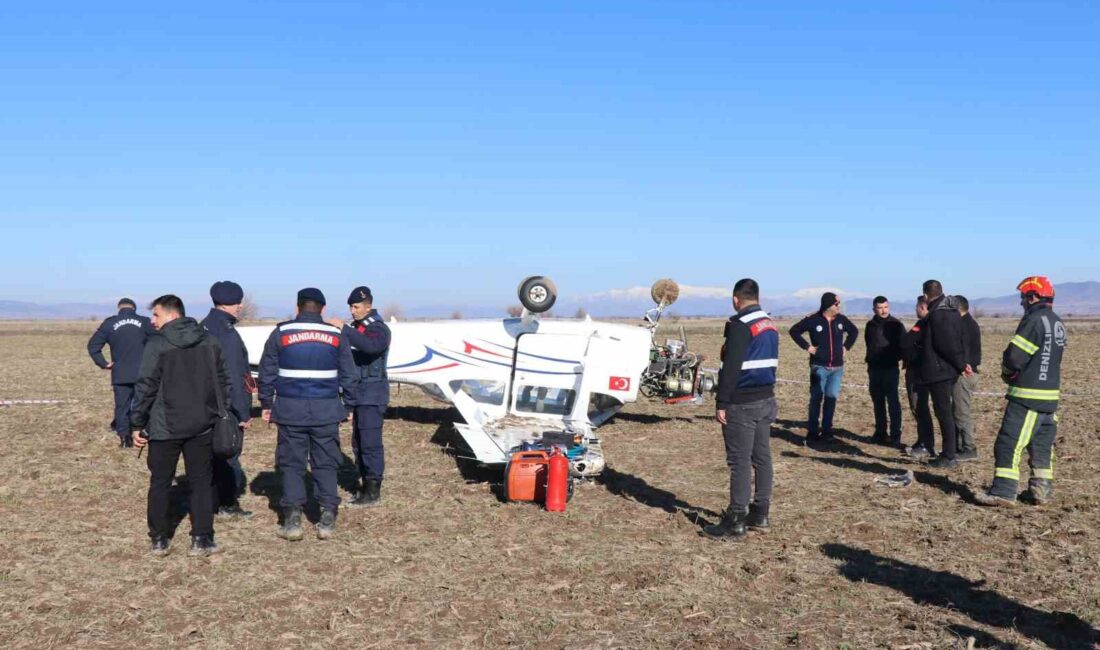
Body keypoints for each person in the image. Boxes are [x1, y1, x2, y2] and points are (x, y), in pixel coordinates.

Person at [131, 295, 229, 557]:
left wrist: (137, 423)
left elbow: (145, 386)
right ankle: (202, 539)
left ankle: (159, 539)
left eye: (156, 316)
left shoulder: (157, 345)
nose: (152, 321)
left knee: (161, 482)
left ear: (172, 316)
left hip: (165, 427)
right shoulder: (210, 341)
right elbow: (223, 382)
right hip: (202, 424)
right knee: (201, 482)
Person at [259, 288, 359, 541]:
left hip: (290, 409)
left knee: (292, 464)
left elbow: (267, 371)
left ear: (298, 307)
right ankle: (327, 517)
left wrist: (266, 403)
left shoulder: (281, 333)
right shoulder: (336, 334)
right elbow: (349, 373)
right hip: (325, 409)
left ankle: (292, 520)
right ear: (323, 309)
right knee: (325, 462)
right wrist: (348, 405)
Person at [975, 277, 1067, 507]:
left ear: (1033, 296)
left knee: (1009, 443)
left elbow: (1014, 357)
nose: (1021, 303)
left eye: (1023, 298)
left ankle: (1003, 492)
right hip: (1049, 396)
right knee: (1041, 446)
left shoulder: (1034, 320)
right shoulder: (1056, 322)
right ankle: (1040, 491)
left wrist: (1007, 372)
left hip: (1028, 396)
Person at [704, 279, 779, 540]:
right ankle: (761, 513)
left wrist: (721, 402)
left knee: (739, 462)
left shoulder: (739, 325)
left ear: (736, 299)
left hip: (742, 403)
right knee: (762, 458)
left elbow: (732, 366)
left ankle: (736, 519)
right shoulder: (769, 324)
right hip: (766, 399)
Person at [327, 286, 391, 507]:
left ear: (368, 306)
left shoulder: (378, 329)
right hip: (360, 395)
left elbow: (371, 347)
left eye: (356, 307)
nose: (352, 311)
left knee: (371, 444)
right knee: (359, 443)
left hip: (372, 395)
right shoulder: (359, 328)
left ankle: (373, 491)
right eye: (351, 307)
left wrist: (344, 329)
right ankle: (365, 487)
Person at [200, 281, 254, 519]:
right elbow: (235, 374)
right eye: (237, 302)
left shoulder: (202, 327)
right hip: (225, 406)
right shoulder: (227, 333)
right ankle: (227, 504)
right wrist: (243, 412)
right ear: (227, 303)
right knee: (228, 452)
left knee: (208, 453)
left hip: (203, 403)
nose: (240, 306)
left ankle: (209, 499)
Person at [788, 292, 858, 443]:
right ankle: (813, 432)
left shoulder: (841, 319)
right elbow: (794, 331)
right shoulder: (813, 320)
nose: (839, 306)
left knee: (831, 398)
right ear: (828, 305)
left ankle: (827, 431)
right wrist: (808, 347)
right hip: (818, 367)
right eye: (837, 304)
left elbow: (854, 331)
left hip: (837, 368)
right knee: (816, 399)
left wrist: (846, 347)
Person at [915, 280, 969, 469]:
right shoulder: (953, 311)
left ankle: (948, 455)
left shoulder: (938, 315)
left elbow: (945, 344)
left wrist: (960, 364)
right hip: (948, 370)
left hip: (939, 371)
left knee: (944, 413)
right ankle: (950, 452)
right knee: (946, 412)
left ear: (926, 295)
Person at [87, 298, 152, 447]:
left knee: (122, 406)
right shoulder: (145, 322)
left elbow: (93, 346)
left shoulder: (109, 323)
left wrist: (103, 363)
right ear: (134, 308)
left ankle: (124, 438)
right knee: (142, 404)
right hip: (143, 372)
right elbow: (159, 341)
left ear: (119, 308)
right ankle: (142, 434)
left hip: (120, 373)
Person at [864, 296, 905, 446]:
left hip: (890, 369)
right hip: (874, 369)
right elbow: (869, 344)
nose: (883, 310)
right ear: (874, 309)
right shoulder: (870, 325)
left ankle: (895, 436)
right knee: (878, 402)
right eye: (880, 308)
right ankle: (880, 433)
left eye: (886, 307)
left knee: (893, 403)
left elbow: (903, 345)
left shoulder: (896, 324)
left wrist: (892, 357)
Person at [901, 297, 935, 458]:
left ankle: (926, 445)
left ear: (923, 307)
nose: (915, 310)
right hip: (917, 370)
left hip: (919, 372)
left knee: (920, 407)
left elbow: (907, 342)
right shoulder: (925, 323)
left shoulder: (925, 323)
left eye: (917, 307)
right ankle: (922, 441)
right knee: (918, 408)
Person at [954, 296, 982, 461]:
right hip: (966, 371)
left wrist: (964, 365)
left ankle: (969, 448)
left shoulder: (966, 325)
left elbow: (962, 350)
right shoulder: (967, 323)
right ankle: (959, 447)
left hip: (965, 374)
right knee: (957, 411)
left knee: (961, 412)